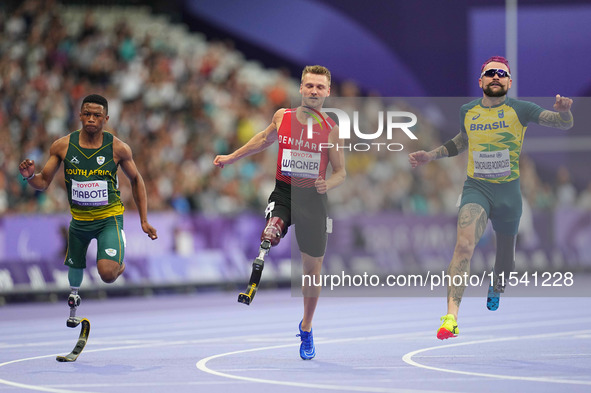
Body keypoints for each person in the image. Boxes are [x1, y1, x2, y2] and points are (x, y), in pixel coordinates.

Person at [408, 56, 573, 340]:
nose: (495, 77)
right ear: (481, 81)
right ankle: (451, 317)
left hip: (509, 193)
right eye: (490, 73)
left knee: (505, 262)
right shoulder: (468, 111)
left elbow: (562, 124)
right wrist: (431, 155)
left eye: (501, 74)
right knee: (463, 245)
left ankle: (497, 286)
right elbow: (462, 141)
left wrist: (565, 112)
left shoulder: (521, 109)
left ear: (509, 82)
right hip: (477, 188)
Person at [213, 65, 346, 359]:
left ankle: (307, 327)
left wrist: (328, 184)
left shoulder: (331, 130)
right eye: (309, 85)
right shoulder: (282, 117)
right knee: (271, 230)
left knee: (311, 272)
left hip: (314, 200)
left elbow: (341, 172)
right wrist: (231, 158)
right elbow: (263, 140)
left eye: (319, 87)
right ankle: (271, 234)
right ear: (300, 88)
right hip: (284, 192)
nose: (314, 91)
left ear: (327, 92)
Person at [19, 94, 158, 324]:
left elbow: (137, 180)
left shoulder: (118, 148)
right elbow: (43, 182)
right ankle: (74, 299)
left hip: (109, 219)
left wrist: (143, 220)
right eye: (87, 114)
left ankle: (118, 261)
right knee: (75, 272)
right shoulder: (62, 146)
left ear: (106, 119)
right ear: (80, 115)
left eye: (97, 115)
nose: (91, 119)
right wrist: (30, 176)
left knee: (107, 275)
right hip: (79, 222)